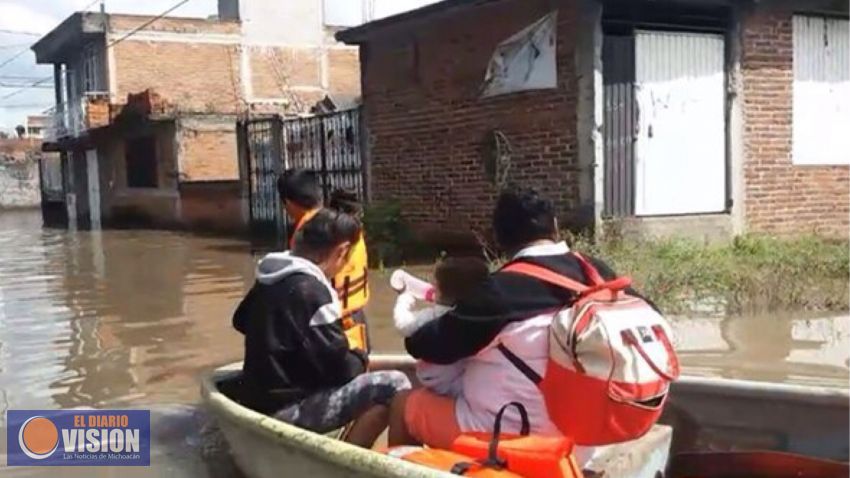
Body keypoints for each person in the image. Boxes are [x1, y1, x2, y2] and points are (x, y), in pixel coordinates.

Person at [387, 186, 652, 465]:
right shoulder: (596, 271)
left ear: (499, 238)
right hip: (590, 436)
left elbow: (423, 344)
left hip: (520, 435)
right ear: (556, 227)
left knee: (405, 403)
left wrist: (444, 310)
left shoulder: (500, 291)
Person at [232, 208, 410, 447]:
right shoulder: (313, 292)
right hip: (288, 410)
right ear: (342, 251)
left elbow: (240, 321)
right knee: (395, 384)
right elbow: (344, 370)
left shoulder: (271, 276)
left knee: (377, 402)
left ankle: (347, 452)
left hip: (259, 399)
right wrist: (358, 352)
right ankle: (388, 462)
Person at [277, 170, 371, 353]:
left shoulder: (307, 232)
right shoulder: (342, 222)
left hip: (329, 324)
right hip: (355, 317)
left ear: (288, 203)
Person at [393, 258, 490, 397]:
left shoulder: (431, 317)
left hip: (438, 384)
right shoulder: (486, 318)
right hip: (466, 382)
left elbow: (402, 324)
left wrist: (404, 299)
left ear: (439, 291)